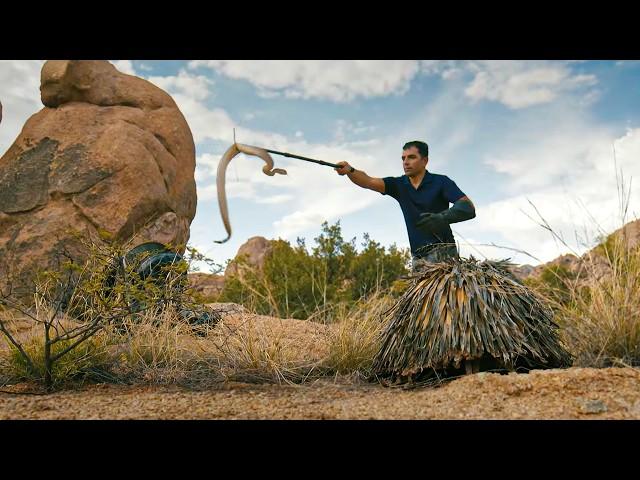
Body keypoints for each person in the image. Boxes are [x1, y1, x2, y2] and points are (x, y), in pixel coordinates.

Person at [334, 140, 476, 272]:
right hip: (417, 257)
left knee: (444, 299)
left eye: (411, 157)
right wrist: (349, 170)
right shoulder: (399, 185)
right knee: (420, 299)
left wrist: (442, 217)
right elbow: (368, 181)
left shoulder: (441, 182)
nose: (406, 162)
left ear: (425, 161)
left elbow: (468, 207)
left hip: (443, 253)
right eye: (403, 158)